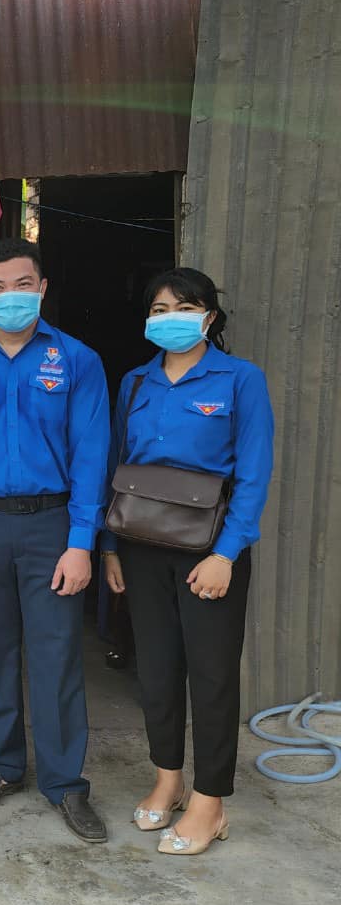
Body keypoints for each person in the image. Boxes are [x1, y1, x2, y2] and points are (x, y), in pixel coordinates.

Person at [0, 237, 110, 844]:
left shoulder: (78, 360)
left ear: (42, 288)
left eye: (22, 284)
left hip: (52, 525)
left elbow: (92, 455)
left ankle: (66, 784)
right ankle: (3, 764)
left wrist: (82, 541)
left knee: (57, 653)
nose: (10, 296)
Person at [103, 267, 274, 856]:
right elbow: (118, 468)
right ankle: (168, 778)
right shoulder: (135, 383)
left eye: (182, 306)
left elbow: (252, 476)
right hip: (141, 545)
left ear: (209, 316)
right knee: (156, 669)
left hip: (209, 551)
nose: (168, 317)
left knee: (211, 674)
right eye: (158, 307)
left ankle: (211, 801)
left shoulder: (239, 380)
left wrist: (228, 553)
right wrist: (109, 547)